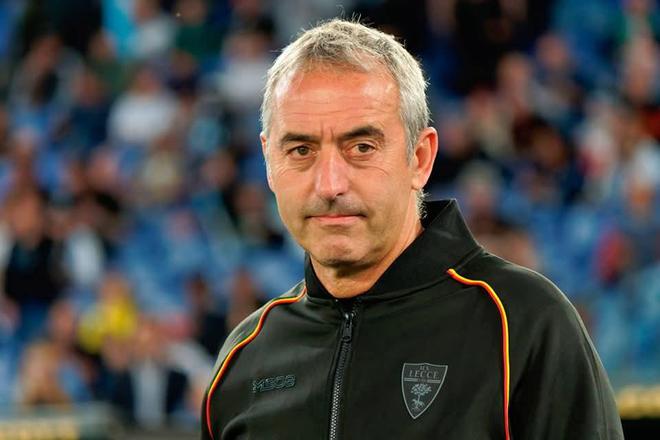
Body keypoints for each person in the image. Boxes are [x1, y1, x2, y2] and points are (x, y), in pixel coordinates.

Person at [201, 19, 623, 440]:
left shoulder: (523, 324)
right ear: (268, 161)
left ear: (420, 158)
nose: (329, 184)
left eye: (361, 147)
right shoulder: (243, 359)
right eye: (300, 150)